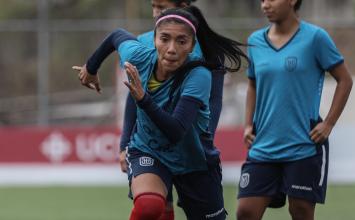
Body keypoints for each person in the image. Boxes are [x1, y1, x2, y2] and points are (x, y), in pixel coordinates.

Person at [73, 5, 248, 220]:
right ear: (154, 39)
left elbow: (176, 131)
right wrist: (91, 68)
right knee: (149, 207)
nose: (171, 48)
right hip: (150, 151)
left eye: (181, 41)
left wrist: (143, 100)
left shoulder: (199, 75)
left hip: (194, 160)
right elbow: (116, 36)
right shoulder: (138, 56)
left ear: (192, 45)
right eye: (164, 39)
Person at [236, 1, 353, 220]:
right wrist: (248, 124)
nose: (265, 5)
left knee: (300, 211)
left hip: (303, 145)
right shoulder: (255, 41)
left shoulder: (316, 38)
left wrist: (328, 123)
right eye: (262, 0)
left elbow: (345, 80)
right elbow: (252, 83)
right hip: (263, 145)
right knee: (246, 212)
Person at [119, 1, 203, 219]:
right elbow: (134, 95)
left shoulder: (205, 52)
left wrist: (205, 143)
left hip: (192, 149)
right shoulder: (145, 43)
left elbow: (213, 101)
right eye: (153, 6)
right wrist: (124, 143)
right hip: (153, 146)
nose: (157, 13)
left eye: (162, 7)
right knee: (151, 206)